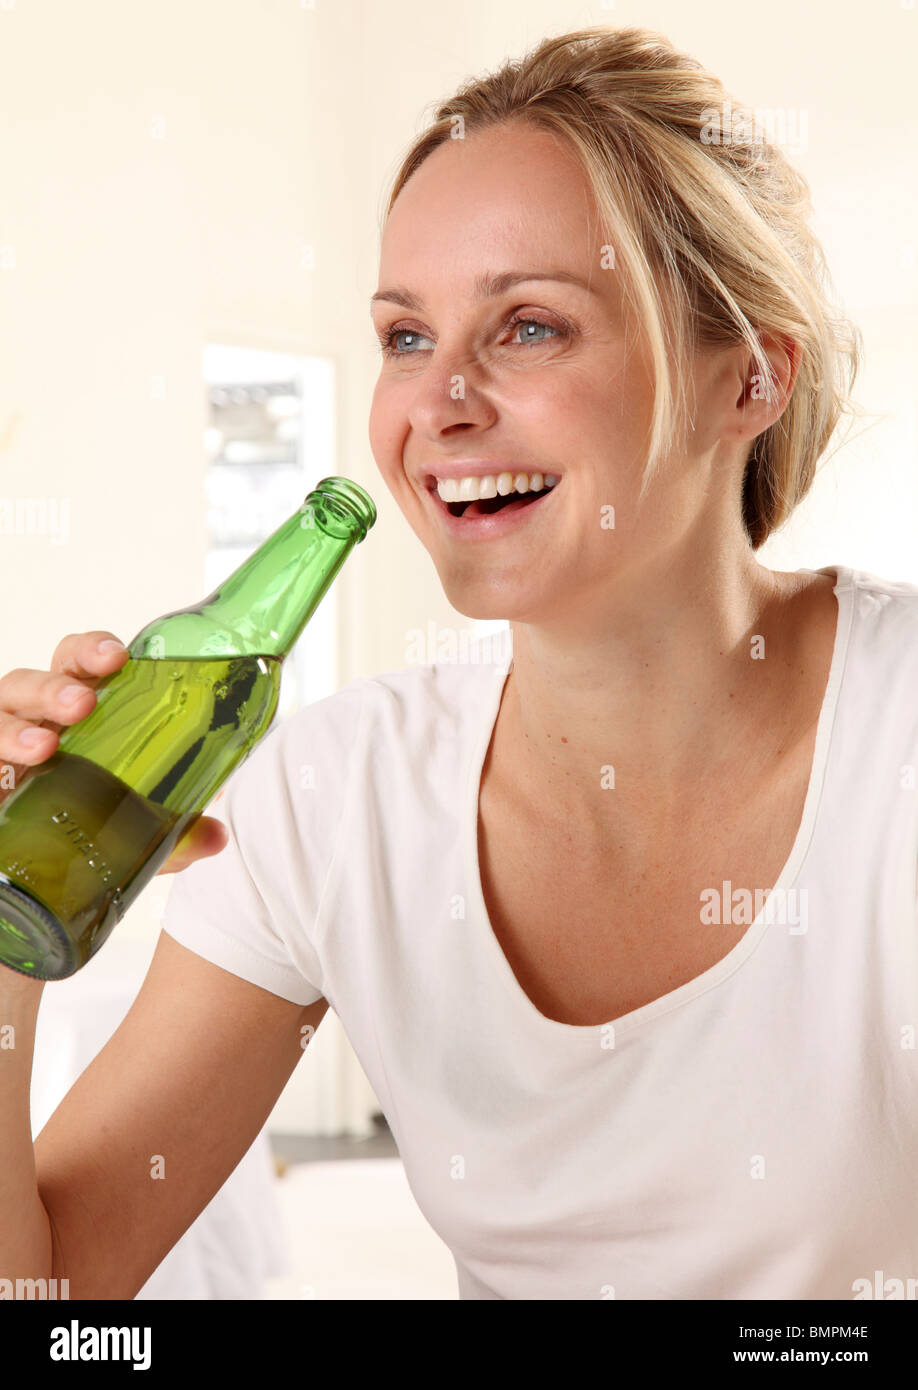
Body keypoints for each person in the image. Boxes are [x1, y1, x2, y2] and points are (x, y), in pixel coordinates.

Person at [3, 24, 917, 1301]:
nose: (439, 407)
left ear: (750, 376)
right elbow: (52, 1301)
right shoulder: (331, 797)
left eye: (531, 327)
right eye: (405, 336)